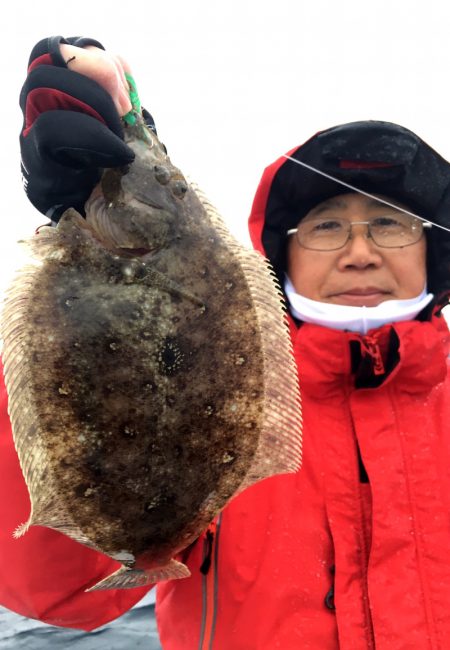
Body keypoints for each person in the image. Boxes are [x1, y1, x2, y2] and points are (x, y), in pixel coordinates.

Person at [1, 34, 449, 649]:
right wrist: (72, 216)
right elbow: (53, 594)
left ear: (434, 249)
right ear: (282, 251)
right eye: (326, 226)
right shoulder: (244, 395)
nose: (360, 253)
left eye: (390, 225)